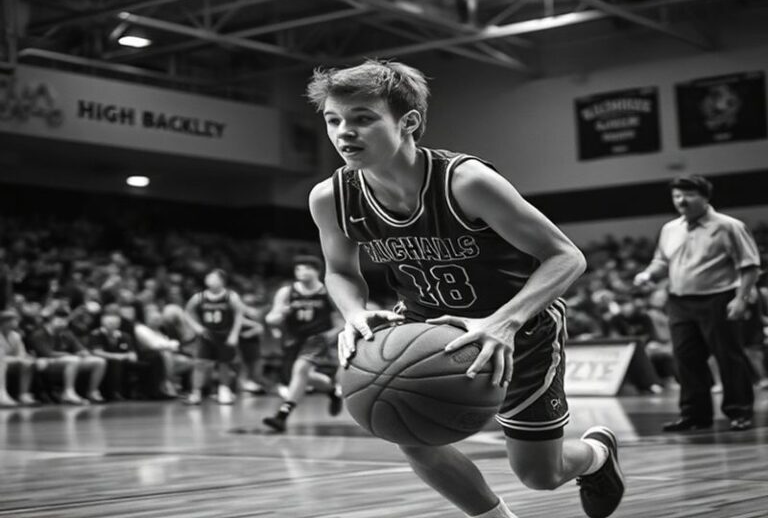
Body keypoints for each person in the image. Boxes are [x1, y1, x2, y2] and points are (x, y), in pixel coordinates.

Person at [305, 60, 624, 518]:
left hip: (519, 329)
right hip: (423, 330)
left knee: (539, 474)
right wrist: (354, 313)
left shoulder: (465, 182)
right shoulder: (329, 197)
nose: (343, 133)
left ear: (408, 122)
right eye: (334, 120)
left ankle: (597, 455)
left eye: (363, 119)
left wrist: (503, 324)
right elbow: (339, 271)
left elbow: (566, 256)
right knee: (409, 432)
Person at [635, 175, 761, 432]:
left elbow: (750, 266)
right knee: (686, 359)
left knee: (729, 357)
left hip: (719, 298)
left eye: (688, 195)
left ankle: (740, 412)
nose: (681, 200)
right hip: (680, 301)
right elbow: (662, 261)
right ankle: (695, 415)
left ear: (705, 197)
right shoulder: (670, 229)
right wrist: (648, 274)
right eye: (676, 196)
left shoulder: (729, 226)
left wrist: (741, 299)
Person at [262, 256, 343, 432]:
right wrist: (281, 314)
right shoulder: (286, 292)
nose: (301, 272)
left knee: (300, 369)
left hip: (317, 338)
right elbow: (271, 319)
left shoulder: (327, 292)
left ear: (317, 271)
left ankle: (281, 416)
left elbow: (343, 321)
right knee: (302, 377)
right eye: (298, 269)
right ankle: (332, 392)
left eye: (306, 268)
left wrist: (330, 335)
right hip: (293, 339)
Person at [183, 269, 244, 405]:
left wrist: (234, 334)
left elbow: (239, 315)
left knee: (224, 364)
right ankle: (195, 393)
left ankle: (224, 391)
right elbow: (187, 312)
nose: (208, 279)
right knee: (200, 363)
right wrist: (196, 326)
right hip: (207, 335)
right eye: (208, 277)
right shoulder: (199, 297)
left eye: (212, 277)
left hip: (225, 334)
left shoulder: (231, 296)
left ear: (222, 280)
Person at [28, 308, 106, 405]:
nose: (63, 324)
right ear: (50, 322)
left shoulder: (67, 333)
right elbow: (47, 353)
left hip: (69, 361)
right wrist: (71, 355)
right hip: (46, 362)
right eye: (59, 321)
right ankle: (68, 392)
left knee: (99, 362)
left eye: (65, 321)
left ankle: (92, 392)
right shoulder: (39, 334)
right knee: (73, 360)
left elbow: (79, 348)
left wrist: (83, 352)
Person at [88, 305, 139, 401]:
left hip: (123, 361)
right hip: (108, 361)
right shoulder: (96, 334)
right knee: (115, 363)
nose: (112, 325)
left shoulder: (125, 336)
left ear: (119, 324)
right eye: (110, 323)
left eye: (115, 323)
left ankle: (137, 391)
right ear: (103, 322)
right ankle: (114, 393)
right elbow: (96, 352)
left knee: (138, 363)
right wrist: (116, 356)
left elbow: (132, 352)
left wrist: (131, 355)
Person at [0, 309, 38, 407]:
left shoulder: (16, 336)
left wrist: (23, 358)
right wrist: (18, 359)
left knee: (28, 363)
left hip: (11, 361)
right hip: (2, 362)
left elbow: (21, 353)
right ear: (5, 322)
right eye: (14, 320)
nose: (17, 322)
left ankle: (24, 394)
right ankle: (2, 394)